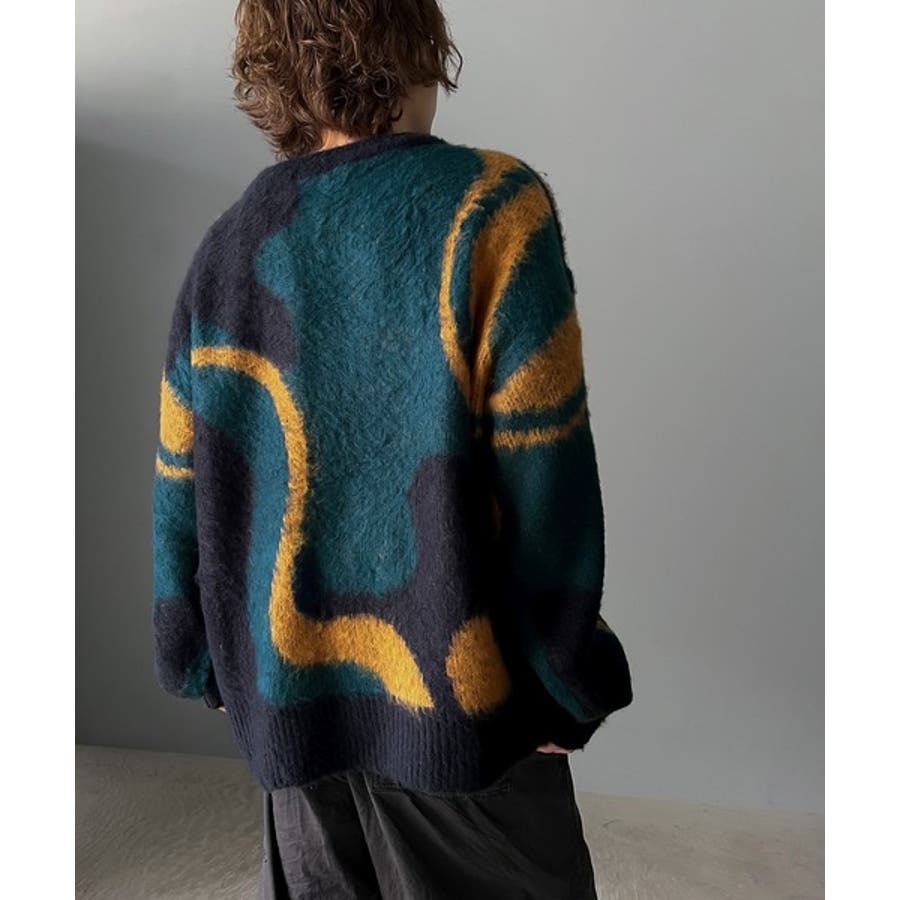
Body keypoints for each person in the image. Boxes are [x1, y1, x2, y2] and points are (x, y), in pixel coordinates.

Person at [150, 1, 633, 897]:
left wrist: (201, 659)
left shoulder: (226, 247)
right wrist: (566, 678)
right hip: (465, 719)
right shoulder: (492, 210)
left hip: (290, 717)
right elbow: (546, 475)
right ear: (420, 42)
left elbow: (185, 482)